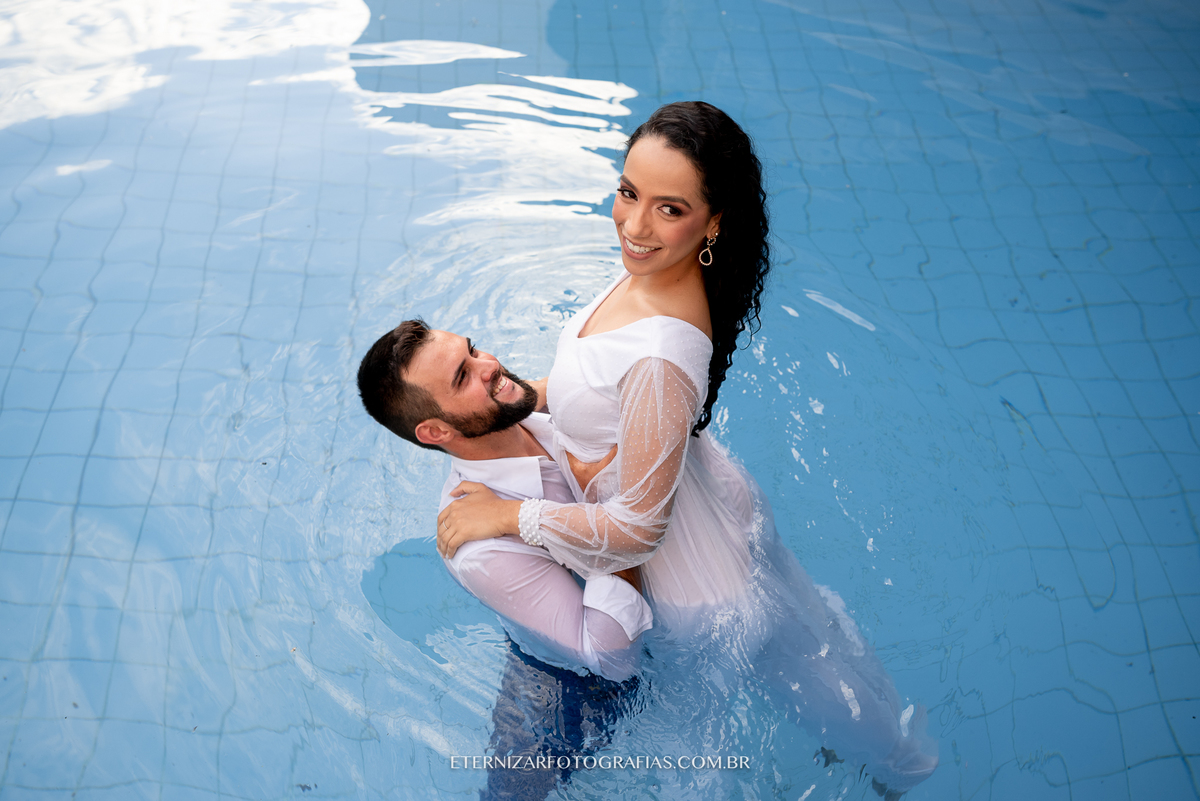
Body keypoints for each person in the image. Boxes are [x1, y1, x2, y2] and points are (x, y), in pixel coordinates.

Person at [433, 101, 939, 796]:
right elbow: (598, 386)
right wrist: (523, 398)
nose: (635, 225)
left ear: (713, 222)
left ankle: (902, 767)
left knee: (830, 706)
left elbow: (639, 529)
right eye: (629, 192)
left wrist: (505, 516)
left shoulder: (660, 355)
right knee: (816, 650)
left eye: (669, 209)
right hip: (711, 510)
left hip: (699, 588)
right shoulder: (654, 272)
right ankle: (885, 749)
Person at [356, 321, 651, 682]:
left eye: (473, 350)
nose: (490, 364)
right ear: (436, 431)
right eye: (463, 376)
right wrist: (607, 493)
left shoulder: (532, 406)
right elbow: (611, 662)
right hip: (570, 688)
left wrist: (568, 387)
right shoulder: (482, 552)